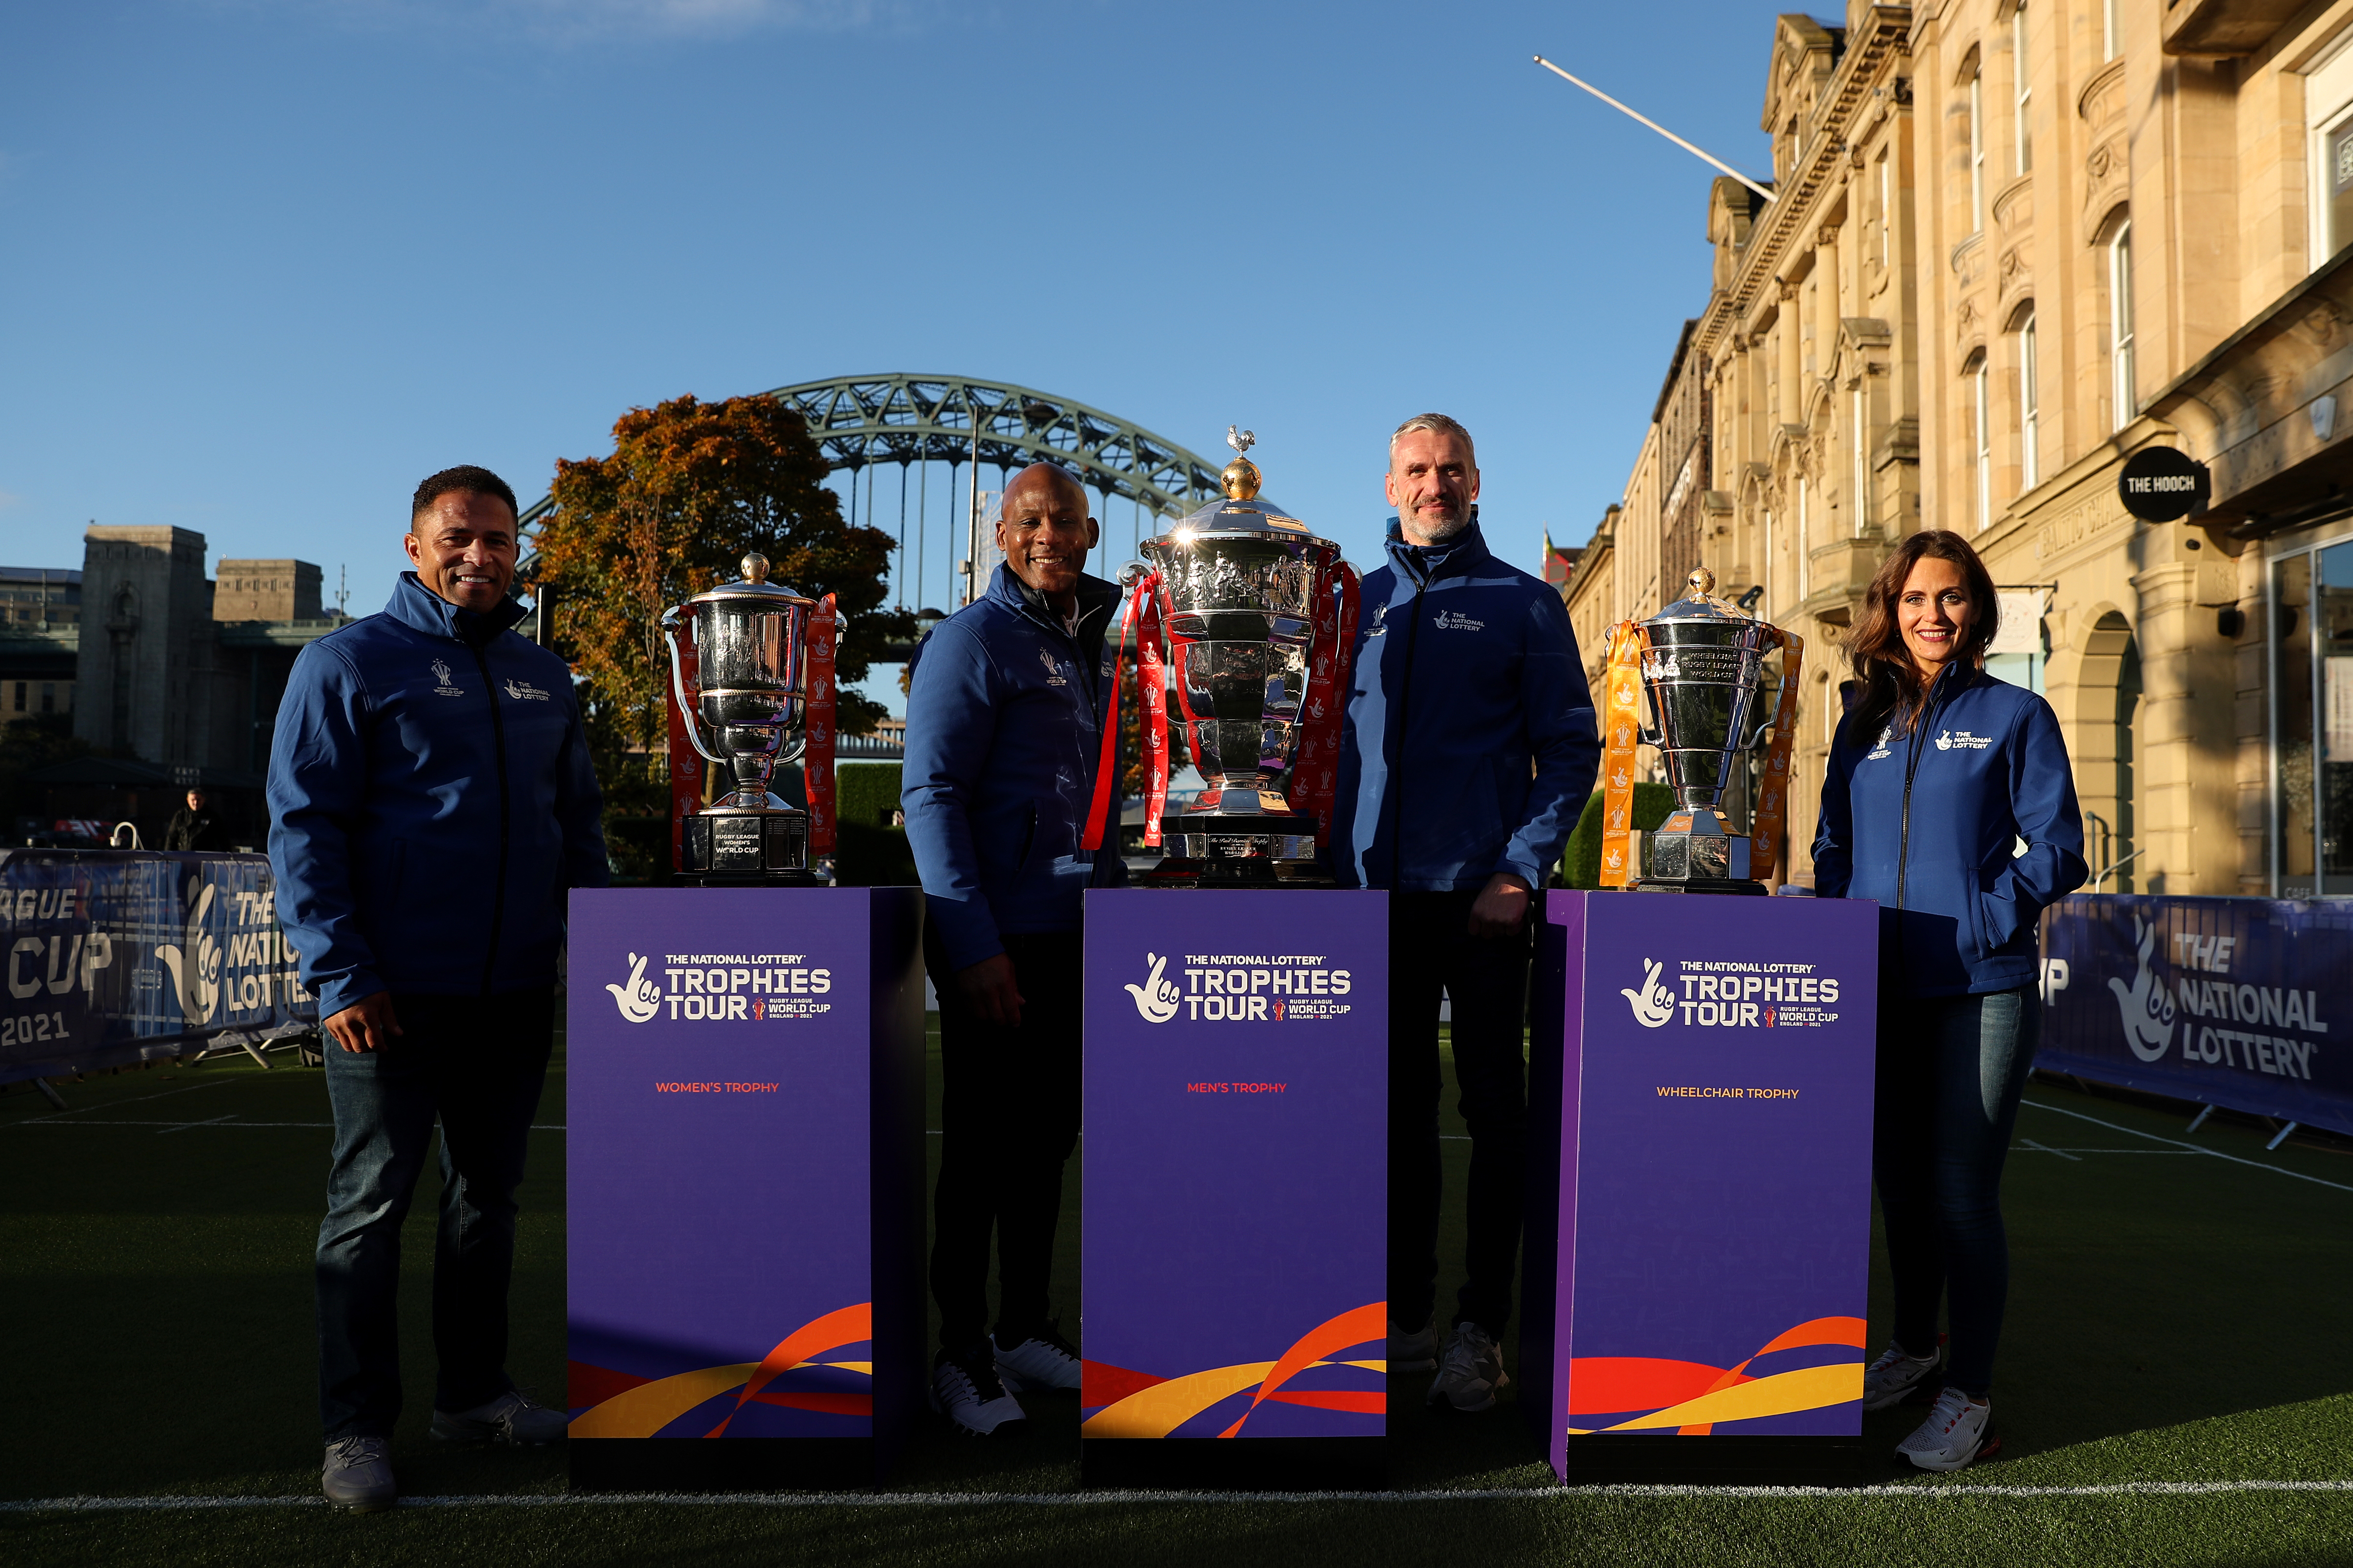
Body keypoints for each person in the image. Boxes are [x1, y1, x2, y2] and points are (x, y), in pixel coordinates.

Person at [268, 465, 608, 1511]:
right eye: (459, 537)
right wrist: (340, 973)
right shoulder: (348, 661)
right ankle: (356, 1425)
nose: (480, 555)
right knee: (368, 1208)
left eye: (498, 540)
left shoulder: (546, 677)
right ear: (414, 548)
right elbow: (303, 826)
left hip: (509, 995)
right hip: (387, 994)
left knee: (486, 1205)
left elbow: (577, 835)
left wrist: (603, 957)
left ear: (518, 553)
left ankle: (472, 1395)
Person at [1332, 413, 1601, 1413]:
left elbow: (1570, 749)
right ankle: (1402, 1317)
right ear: (1389, 484)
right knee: (1389, 1115)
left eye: (1449, 469)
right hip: (1372, 903)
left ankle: (1478, 1327)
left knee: (1493, 1114)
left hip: (1482, 901)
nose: (1432, 483)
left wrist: (1518, 869)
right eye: (1415, 469)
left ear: (1475, 481)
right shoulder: (1346, 606)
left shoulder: (1525, 604)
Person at [1813, 528, 2085, 1473]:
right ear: (1888, 608)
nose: (1932, 614)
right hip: (1875, 986)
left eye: (1952, 597)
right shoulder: (1858, 721)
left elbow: (2057, 847)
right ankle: (1914, 1346)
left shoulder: (2015, 712)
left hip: (1979, 985)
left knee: (1960, 1194)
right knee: (1896, 1183)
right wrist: (1840, 915)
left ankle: (1968, 1393)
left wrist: (1983, 916)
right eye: (1915, 597)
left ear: (1975, 609)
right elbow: (1828, 844)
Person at [901, 462, 1124, 1437]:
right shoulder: (972, 638)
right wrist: (973, 941)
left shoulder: (1098, 644)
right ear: (1003, 535)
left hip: (1081, 935)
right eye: (1028, 521)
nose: (1047, 535)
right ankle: (955, 1352)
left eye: (1063, 521)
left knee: (1045, 1145)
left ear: (1087, 534)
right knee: (983, 1151)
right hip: (999, 938)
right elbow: (930, 794)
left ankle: (1021, 1328)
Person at [165, 787, 224, 852]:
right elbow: (172, 838)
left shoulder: (212, 816)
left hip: (206, 858)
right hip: (184, 857)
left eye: (198, 800)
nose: (196, 803)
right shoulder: (181, 815)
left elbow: (223, 839)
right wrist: (168, 856)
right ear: (188, 800)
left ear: (204, 800)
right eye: (193, 800)